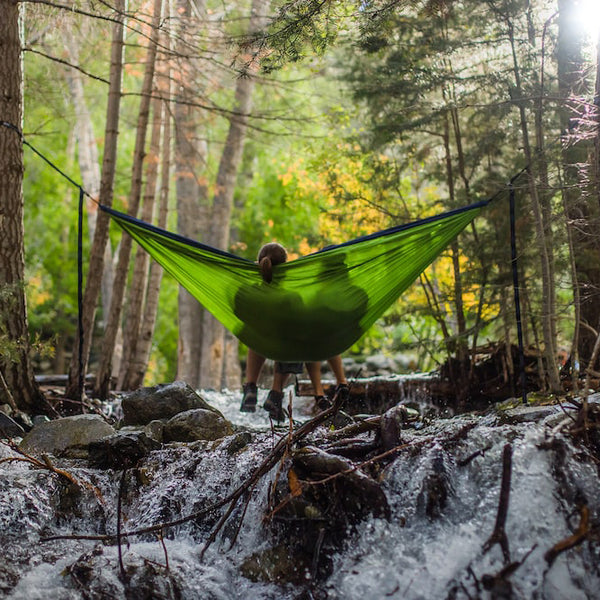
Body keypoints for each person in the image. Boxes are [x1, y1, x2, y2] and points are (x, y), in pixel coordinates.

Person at [240, 242, 348, 421]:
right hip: (286, 347)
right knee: (299, 333)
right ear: (285, 268)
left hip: (260, 342)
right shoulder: (291, 296)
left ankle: (251, 386)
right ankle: (283, 392)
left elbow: (237, 311)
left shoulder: (248, 292)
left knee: (257, 333)